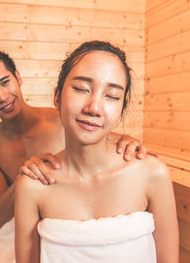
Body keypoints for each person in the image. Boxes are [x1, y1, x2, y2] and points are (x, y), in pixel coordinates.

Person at [0, 47, 151, 262]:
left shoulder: (64, 119)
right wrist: (24, 178)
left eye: (5, 82)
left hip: (68, 220)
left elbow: (108, 139)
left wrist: (130, 142)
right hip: (19, 229)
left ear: (18, 78)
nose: (2, 96)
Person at [15, 41, 179, 263]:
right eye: (82, 89)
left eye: (111, 95)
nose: (94, 108)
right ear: (57, 97)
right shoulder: (33, 185)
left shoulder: (151, 174)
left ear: (121, 111)